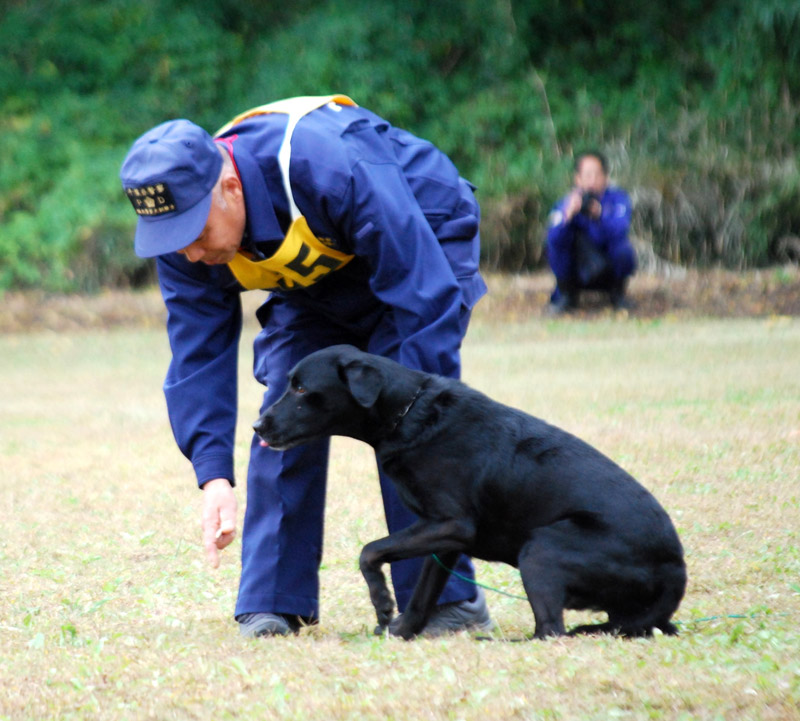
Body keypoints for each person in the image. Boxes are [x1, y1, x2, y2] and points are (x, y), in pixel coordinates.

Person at [119, 95, 493, 638]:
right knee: (286, 408)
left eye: (195, 233)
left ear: (230, 187)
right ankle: (273, 601)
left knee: (405, 412)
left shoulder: (328, 166)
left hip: (421, 237)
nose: (190, 254)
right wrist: (213, 475)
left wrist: (419, 407)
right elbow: (197, 351)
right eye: (172, 240)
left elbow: (421, 293)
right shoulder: (184, 242)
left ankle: (443, 602)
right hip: (318, 279)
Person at [546, 150, 636, 313]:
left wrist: (601, 215)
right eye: (587, 175)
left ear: (605, 177)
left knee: (623, 248)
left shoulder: (618, 199)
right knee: (558, 242)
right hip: (576, 269)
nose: (592, 180)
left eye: (597, 174)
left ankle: (617, 294)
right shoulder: (566, 202)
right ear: (577, 178)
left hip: (607, 266)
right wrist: (568, 216)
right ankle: (566, 295)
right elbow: (552, 237)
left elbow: (621, 229)